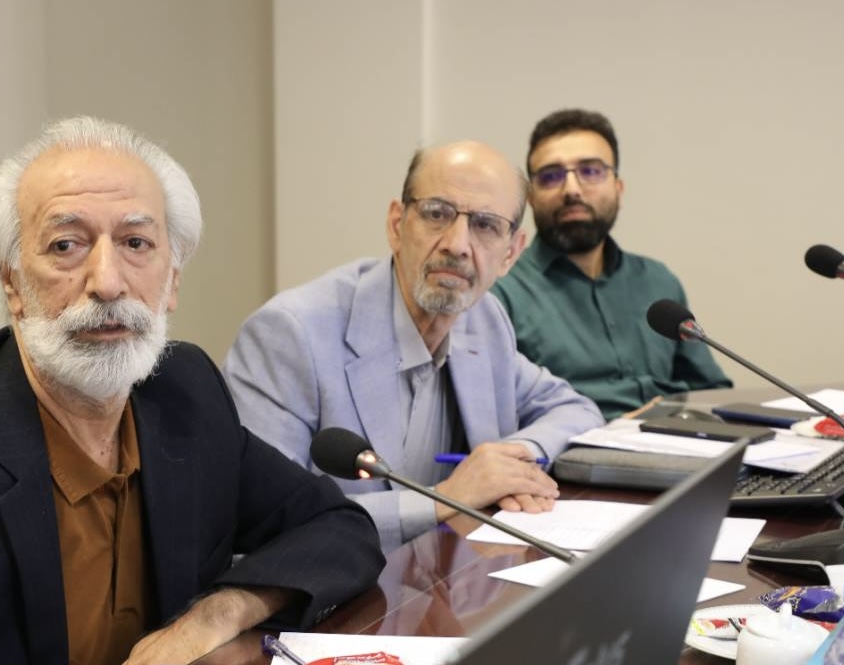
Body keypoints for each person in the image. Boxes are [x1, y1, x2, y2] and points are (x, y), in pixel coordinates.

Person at [0, 116, 384, 665]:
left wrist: (218, 613)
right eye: (66, 245)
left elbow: (338, 528)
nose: (108, 283)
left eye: (136, 242)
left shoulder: (186, 395)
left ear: (173, 279)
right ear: (12, 282)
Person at [222, 140, 603, 553]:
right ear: (396, 225)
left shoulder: (483, 320)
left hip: (449, 578)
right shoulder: (290, 334)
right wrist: (447, 498)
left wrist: (509, 464)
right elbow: (262, 519)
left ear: (510, 253)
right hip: (332, 585)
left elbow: (576, 411)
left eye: (485, 225)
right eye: (437, 214)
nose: (458, 244)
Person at [492, 109, 731, 420]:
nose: (572, 189)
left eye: (590, 171)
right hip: (575, 446)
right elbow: (499, 415)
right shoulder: (500, 292)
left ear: (618, 188)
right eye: (551, 176)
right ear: (531, 198)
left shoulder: (658, 281)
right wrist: (617, 428)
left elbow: (712, 391)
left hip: (678, 440)